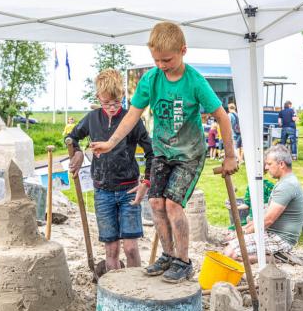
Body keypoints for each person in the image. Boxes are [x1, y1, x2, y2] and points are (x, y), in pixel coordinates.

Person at [91, 22, 238, 283]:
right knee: (156, 202)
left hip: (189, 154)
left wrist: (229, 155)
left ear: (183, 51)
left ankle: (183, 261)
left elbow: (222, 117)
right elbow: (132, 116)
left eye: (167, 60)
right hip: (162, 151)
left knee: (172, 204)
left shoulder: (195, 81)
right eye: (156, 60)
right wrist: (111, 143)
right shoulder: (151, 79)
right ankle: (168, 255)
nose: (161, 65)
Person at [67, 69, 154, 272]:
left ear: (122, 97)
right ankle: (115, 294)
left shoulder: (131, 119)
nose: (113, 108)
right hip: (103, 192)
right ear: (98, 98)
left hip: (129, 190)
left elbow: (151, 151)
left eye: (116, 103)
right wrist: (77, 152)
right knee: (111, 250)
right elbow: (71, 138)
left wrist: (146, 180)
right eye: (107, 103)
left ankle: (135, 290)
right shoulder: (92, 118)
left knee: (131, 248)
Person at [223, 144, 303, 264]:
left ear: (281, 164)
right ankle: (272, 256)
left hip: (280, 239)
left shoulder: (286, 186)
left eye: (269, 164)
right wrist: (242, 230)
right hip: (273, 233)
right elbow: (264, 216)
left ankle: (278, 258)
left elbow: (267, 220)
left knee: (229, 253)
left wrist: (243, 233)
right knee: (231, 245)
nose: (266, 167)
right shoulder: (285, 181)